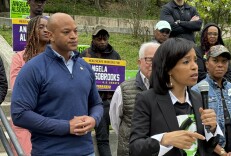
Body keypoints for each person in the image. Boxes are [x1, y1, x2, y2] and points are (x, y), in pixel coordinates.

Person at [11, 13, 103, 155]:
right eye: (66, 32)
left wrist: (93, 119)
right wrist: (66, 126)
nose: (73, 36)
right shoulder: (33, 68)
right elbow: (20, 114)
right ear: (50, 35)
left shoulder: (85, 67)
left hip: (86, 151)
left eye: (75, 31)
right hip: (50, 152)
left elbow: (96, 104)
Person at [130, 38, 222, 156]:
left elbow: (207, 147)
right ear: (168, 68)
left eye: (195, 60)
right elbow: (135, 147)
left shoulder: (198, 98)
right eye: (186, 62)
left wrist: (213, 129)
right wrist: (164, 139)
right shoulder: (147, 99)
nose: (195, 67)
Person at [192, 45, 231, 156]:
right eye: (215, 60)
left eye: (224, 61)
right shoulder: (197, 90)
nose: (220, 65)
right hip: (212, 152)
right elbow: (200, 128)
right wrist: (223, 153)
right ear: (207, 64)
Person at [109, 42, 160, 156]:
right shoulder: (123, 89)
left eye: (158, 59)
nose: (154, 64)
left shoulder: (167, 89)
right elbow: (115, 122)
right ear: (139, 62)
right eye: (149, 59)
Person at [10, 15, 49, 156]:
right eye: (41, 27)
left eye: (48, 27)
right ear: (31, 30)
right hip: (26, 120)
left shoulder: (57, 59)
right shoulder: (20, 58)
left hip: (50, 119)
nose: (46, 30)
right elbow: (17, 87)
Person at [80, 26, 121, 156]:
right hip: (93, 103)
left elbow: (119, 78)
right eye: (99, 39)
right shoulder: (85, 55)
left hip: (112, 101)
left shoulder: (115, 55)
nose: (103, 41)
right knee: (102, 138)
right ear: (93, 39)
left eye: (105, 39)